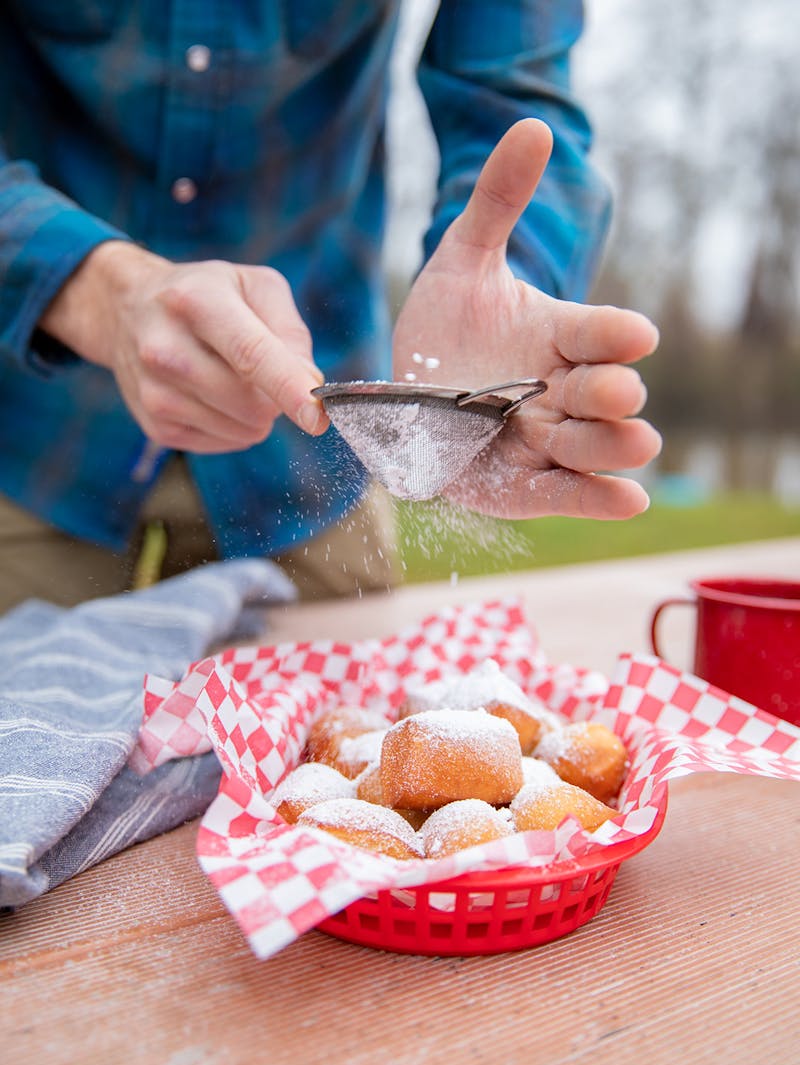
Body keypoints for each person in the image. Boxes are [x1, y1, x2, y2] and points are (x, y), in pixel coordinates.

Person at [0, 2, 660, 614]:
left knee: (339, 725)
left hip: (317, 454)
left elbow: (515, 83)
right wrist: (91, 291)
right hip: (35, 421)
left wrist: (507, 274)